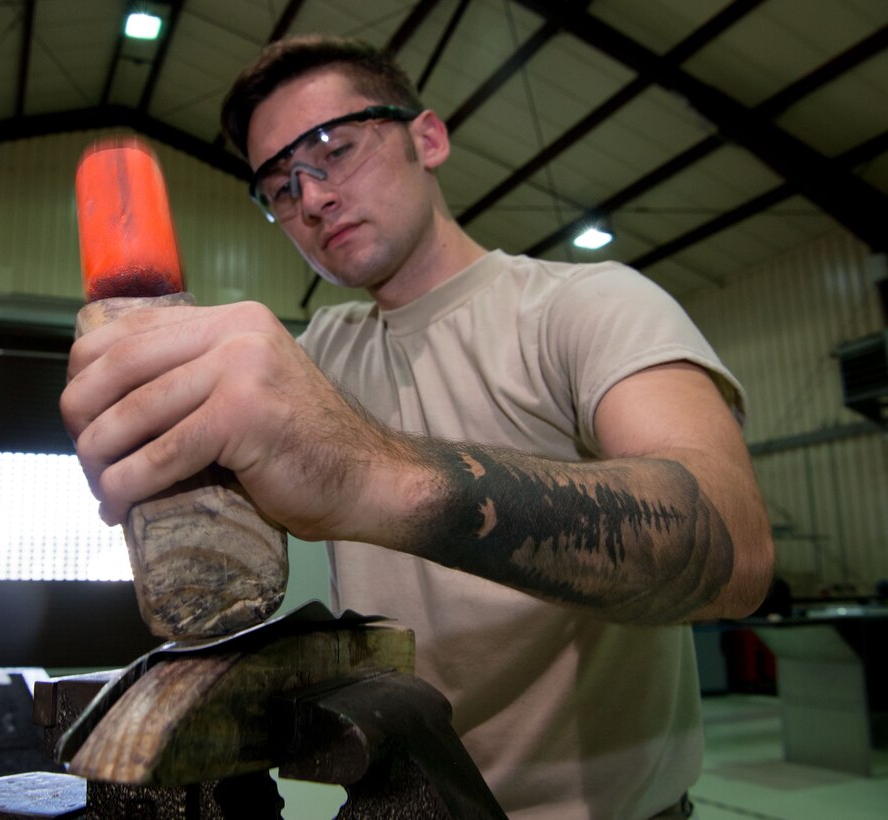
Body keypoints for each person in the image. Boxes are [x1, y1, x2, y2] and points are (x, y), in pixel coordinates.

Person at [61, 34, 774, 819]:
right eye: (279, 184)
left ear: (425, 138)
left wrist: (372, 474)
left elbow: (734, 548)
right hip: (396, 800)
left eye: (333, 149)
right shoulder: (318, 352)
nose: (312, 198)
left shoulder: (585, 306)